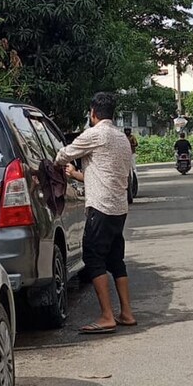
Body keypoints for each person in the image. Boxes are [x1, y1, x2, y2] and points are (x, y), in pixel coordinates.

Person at [55, 91, 136, 334]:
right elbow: (104, 175)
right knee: (115, 259)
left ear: (93, 113)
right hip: (118, 208)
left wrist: (60, 165)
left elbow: (62, 155)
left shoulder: (95, 134)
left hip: (100, 208)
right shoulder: (121, 138)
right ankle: (126, 313)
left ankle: (106, 316)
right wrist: (77, 174)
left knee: (92, 258)